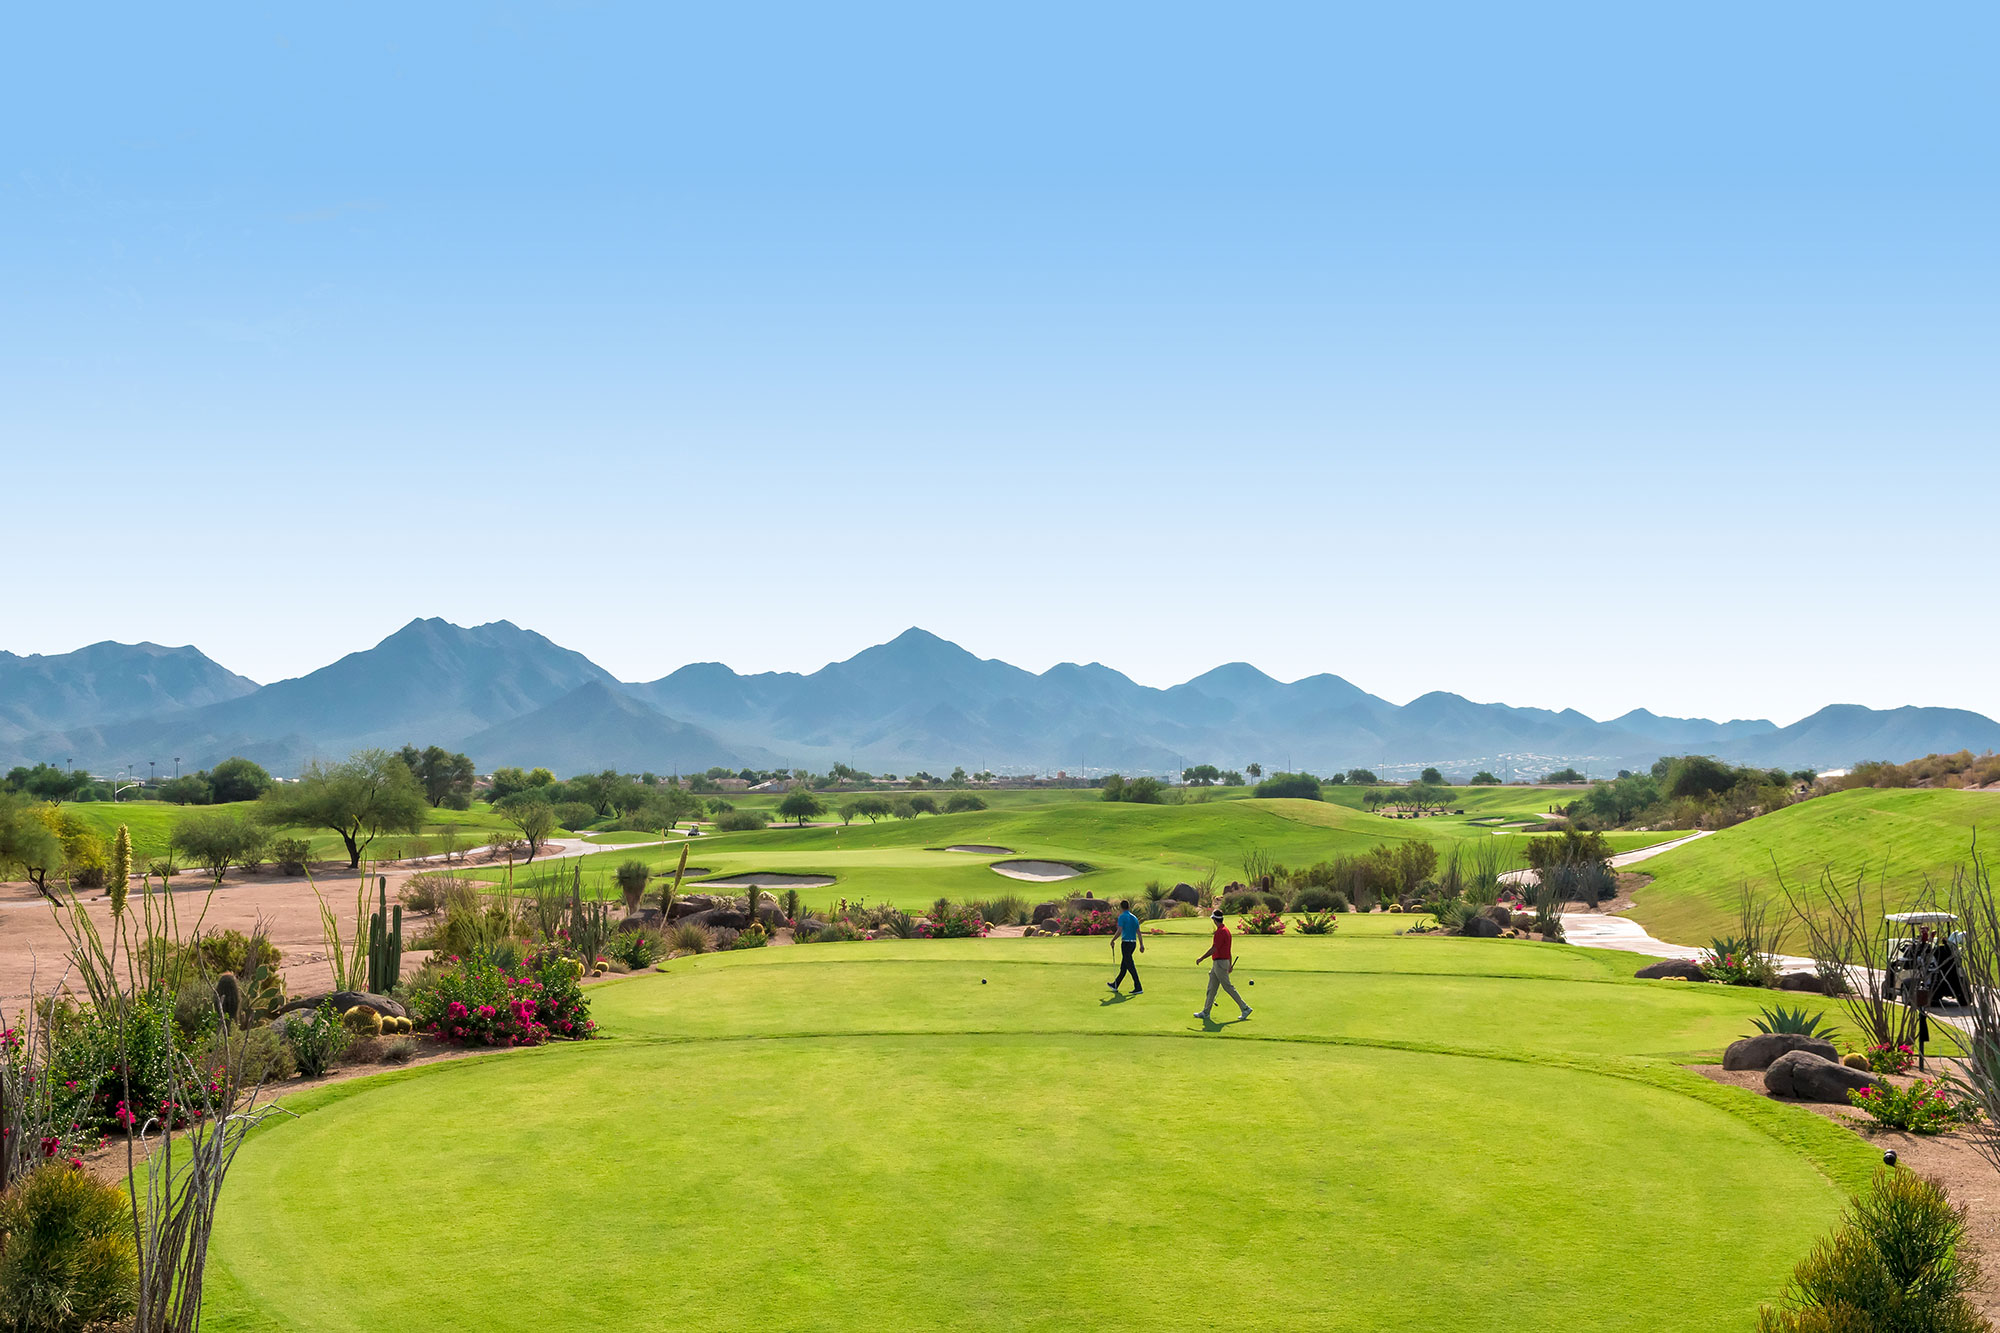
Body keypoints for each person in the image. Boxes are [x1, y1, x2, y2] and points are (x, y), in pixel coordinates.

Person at [1195, 907, 1251, 1021]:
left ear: (1215, 920)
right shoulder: (1226, 931)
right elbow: (1228, 950)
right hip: (1220, 963)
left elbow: (1214, 949)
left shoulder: (1220, 932)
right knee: (1212, 988)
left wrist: (1202, 958)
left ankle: (1245, 1008)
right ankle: (1206, 1012)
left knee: (1228, 987)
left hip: (1220, 963)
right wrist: (1229, 964)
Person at [1107, 899, 1144, 995]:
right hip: (1133, 944)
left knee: (1130, 965)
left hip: (1126, 944)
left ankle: (1138, 986)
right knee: (1124, 966)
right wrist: (1141, 945)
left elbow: (1119, 931)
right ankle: (1116, 984)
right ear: (1128, 907)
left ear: (1121, 907)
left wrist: (1113, 940)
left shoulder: (1122, 917)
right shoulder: (1134, 917)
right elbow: (1139, 932)